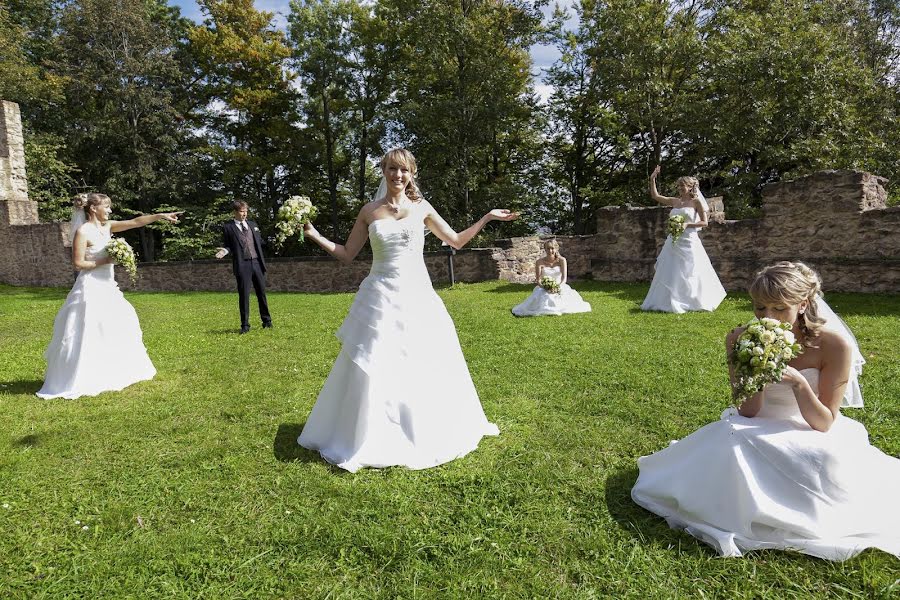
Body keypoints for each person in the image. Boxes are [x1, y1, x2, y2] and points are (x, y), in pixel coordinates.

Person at [631, 261, 900, 561]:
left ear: (803, 305)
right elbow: (748, 411)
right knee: (731, 440)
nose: (767, 318)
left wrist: (798, 383)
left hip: (807, 425)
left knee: (822, 459)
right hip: (756, 422)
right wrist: (757, 373)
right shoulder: (740, 338)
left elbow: (823, 423)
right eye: (760, 308)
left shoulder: (834, 345)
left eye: (778, 308)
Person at [296, 148, 517, 472]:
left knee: (423, 357)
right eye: (392, 169)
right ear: (384, 172)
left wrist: (486, 217)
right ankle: (367, 431)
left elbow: (455, 240)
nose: (398, 176)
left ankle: (424, 425)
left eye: (404, 171)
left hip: (417, 295)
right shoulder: (369, 211)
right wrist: (315, 236)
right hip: (380, 295)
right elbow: (347, 254)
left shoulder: (421, 207)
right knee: (374, 357)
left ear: (412, 174)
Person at [37, 193, 182, 399]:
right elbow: (78, 264)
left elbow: (135, 221)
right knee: (90, 328)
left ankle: (113, 369)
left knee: (120, 322)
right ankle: (83, 374)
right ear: (93, 208)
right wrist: (105, 261)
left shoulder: (108, 227)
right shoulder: (83, 231)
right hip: (90, 287)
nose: (110, 210)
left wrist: (160, 215)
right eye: (107, 206)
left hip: (109, 286)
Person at [640, 166, 726, 313]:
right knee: (671, 270)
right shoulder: (675, 202)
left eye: (682, 186)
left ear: (690, 187)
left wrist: (686, 224)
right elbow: (656, 196)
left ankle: (692, 300)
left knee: (690, 270)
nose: (679, 188)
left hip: (689, 241)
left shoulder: (696, 202)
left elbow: (704, 223)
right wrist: (652, 178)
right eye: (678, 186)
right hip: (673, 241)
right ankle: (668, 299)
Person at [215, 201, 272, 334]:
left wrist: (275, 240)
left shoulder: (253, 225)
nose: (244, 213)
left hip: (257, 263)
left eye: (246, 211)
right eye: (241, 211)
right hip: (242, 264)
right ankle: (245, 325)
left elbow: (260, 242)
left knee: (261, 293)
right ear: (235, 212)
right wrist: (224, 251)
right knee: (244, 296)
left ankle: (267, 321)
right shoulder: (228, 227)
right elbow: (228, 245)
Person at [511, 238, 591, 317]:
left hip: (560, 285)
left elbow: (564, 278)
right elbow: (538, 280)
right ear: (545, 249)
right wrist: (545, 287)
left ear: (556, 248)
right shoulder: (539, 262)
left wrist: (557, 287)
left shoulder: (562, 260)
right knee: (544, 296)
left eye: (552, 248)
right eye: (548, 248)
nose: (550, 251)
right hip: (544, 287)